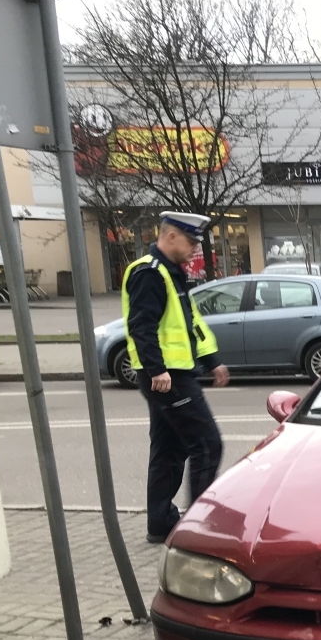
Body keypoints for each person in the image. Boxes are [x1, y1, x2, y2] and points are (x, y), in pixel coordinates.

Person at [123, 211, 230, 543]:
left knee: (169, 451)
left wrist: (212, 359)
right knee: (207, 445)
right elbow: (141, 326)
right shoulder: (149, 274)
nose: (195, 248)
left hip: (174, 374)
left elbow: (190, 322)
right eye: (191, 241)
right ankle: (198, 528)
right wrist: (156, 369)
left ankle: (161, 524)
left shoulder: (172, 274)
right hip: (166, 378)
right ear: (170, 236)